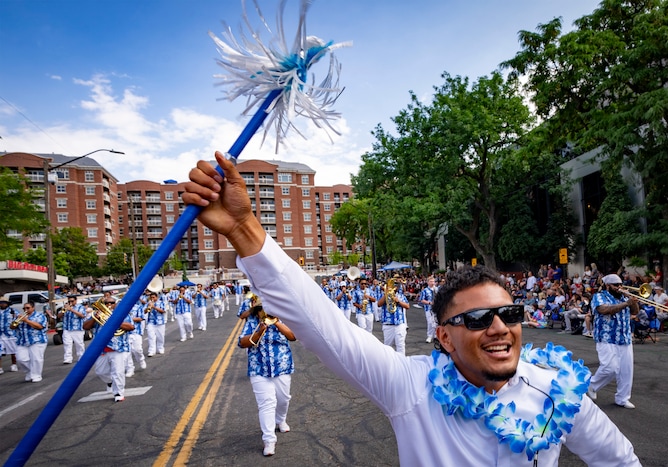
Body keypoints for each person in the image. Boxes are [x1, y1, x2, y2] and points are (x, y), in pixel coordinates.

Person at [183, 153, 641, 465]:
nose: (500, 328)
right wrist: (244, 227)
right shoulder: (410, 387)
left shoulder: (557, 390)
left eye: (511, 313)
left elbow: (619, 459)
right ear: (443, 336)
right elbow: (322, 323)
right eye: (478, 319)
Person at [238, 295, 296, 457]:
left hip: (282, 366)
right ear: (257, 310)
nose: (265, 312)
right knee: (266, 404)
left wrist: (276, 322)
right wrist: (259, 331)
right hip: (259, 368)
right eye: (262, 309)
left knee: (284, 399)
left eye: (268, 309)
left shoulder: (281, 318)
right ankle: (269, 439)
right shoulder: (251, 322)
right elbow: (242, 342)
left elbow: (293, 336)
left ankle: (281, 419)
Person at [588, 274, 639, 409]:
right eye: (616, 285)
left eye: (620, 284)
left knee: (626, 370)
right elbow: (604, 310)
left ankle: (622, 398)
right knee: (610, 368)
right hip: (606, 337)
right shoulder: (599, 296)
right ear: (608, 285)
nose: (619, 287)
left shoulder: (624, 297)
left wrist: (632, 301)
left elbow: (635, 312)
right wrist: (626, 303)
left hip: (624, 338)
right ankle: (592, 385)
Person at [83, 298, 135, 402]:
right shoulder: (96, 314)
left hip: (118, 348)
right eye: (106, 303)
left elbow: (131, 327)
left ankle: (119, 393)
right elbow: (85, 326)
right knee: (100, 372)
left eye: (112, 303)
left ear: (115, 304)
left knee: (118, 372)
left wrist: (114, 321)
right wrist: (94, 319)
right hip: (101, 348)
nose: (109, 304)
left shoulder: (122, 314)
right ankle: (110, 382)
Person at [13, 302, 48, 382]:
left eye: (28, 308)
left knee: (36, 359)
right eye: (24, 308)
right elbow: (12, 326)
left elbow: (39, 326)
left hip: (37, 340)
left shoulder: (39, 315)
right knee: (21, 359)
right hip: (22, 341)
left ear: (33, 308)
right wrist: (16, 322)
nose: (26, 310)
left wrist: (26, 320)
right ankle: (29, 372)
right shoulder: (20, 316)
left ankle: (36, 375)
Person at [377, 278, 410, 355]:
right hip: (388, 324)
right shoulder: (384, 295)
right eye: (391, 285)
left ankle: (401, 364)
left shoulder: (400, 295)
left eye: (395, 285)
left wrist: (398, 301)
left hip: (399, 324)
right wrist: (387, 294)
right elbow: (379, 304)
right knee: (388, 347)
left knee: (400, 346)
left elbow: (407, 306)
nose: (393, 286)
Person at [57, 295, 87, 364]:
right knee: (67, 344)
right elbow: (58, 316)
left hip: (77, 328)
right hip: (67, 328)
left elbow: (82, 315)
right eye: (69, 301)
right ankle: (67, 358)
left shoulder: (80, 307)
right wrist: (63, 311)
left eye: (72, 301)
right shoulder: (65, 307)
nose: (70, 302)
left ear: (76, 301)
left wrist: (72, 310)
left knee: (79, 344)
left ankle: (81, 357)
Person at [125, 297, 147, 377]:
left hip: (136, 331)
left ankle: (141, 360)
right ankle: (130, 368)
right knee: (127, 352)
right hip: (125, 333)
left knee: (137, 350)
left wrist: (128, 319)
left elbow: (141, 318)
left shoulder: (138, 307)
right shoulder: (122, 308)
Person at [0, 297, 19, 374]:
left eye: (4, 302)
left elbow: (18, 321)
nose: (2, 304)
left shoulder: (13, 311)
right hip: (1, 334)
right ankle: (0, 368)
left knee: (13, 351)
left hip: (10, 334)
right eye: (1, 303)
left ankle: (14, 364)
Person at [145, 291, 167, 357]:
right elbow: (144, 312)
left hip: (160, 322)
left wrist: (154, 307)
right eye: (151, 297)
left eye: (153, 297)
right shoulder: (148, 303)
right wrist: (148, 307)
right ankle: (151, 351)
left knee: (160, 336)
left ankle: (160, 348)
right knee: (151, 337)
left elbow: (163, 311)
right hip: (150, 322)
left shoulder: (161, 303)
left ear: (156, 297)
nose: (152, 299)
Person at [418, 277, 438, 343]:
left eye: (433, 281)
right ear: (428, 282)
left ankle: (436, 335)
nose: (432, 283)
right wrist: (429, 303)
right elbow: (422, 300)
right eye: (431, 281)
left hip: (436, 308)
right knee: (430, 322)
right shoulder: (425, 290)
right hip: (428, 308)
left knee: (436, 322)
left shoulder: (436, 289)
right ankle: (429, 336)